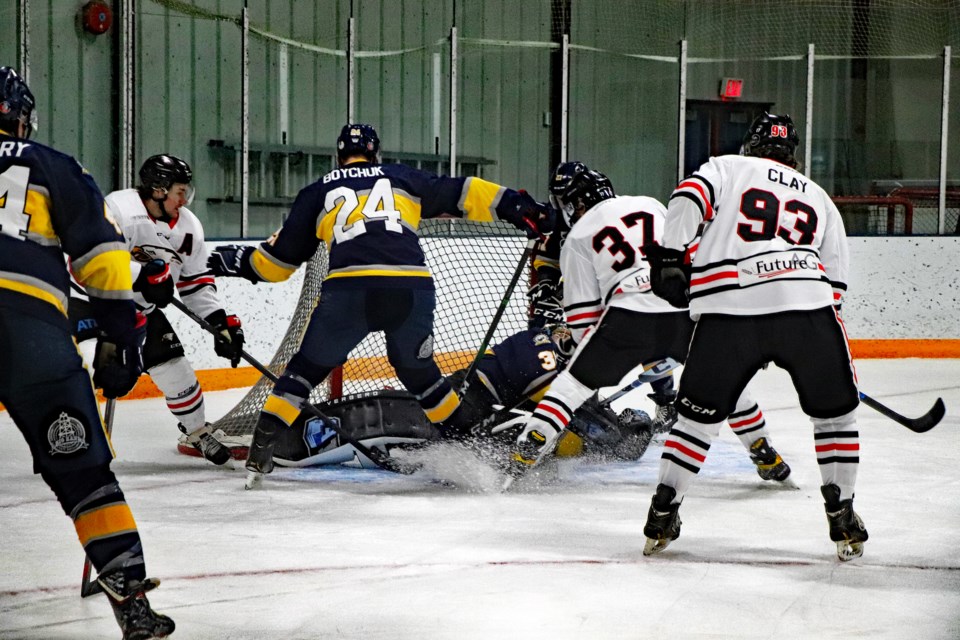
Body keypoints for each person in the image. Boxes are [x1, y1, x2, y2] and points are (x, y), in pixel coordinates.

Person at [207, 123, 554, 485]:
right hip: (408, 287)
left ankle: (259, 456)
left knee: (303, 372)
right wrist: (519, 207)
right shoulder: (400, 177)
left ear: (338, 156)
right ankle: (470, 446)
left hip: (348, 290)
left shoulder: (317, 192)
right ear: (376, 152)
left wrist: (229, 261)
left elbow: (276, 265)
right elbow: (464, 191)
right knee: (422, 376)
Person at [642, 112, 866, 561]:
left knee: (695, 423)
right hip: (807, 312)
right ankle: (842, 514)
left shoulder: (726, 166)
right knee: (836, 419)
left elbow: (689, 196)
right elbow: (837, 284)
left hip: (728, 314)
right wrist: (813, 332)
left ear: (752, 145)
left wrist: (670, 254)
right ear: (792, 154)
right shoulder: (820, 197)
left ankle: (663, 513)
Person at [0, 67, 174, 639]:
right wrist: (122, 337)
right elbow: (102, 261)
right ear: (23, 116)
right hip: (33, 338)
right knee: (84, 475)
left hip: (38, 325)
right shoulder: (53, 165)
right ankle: (132, 604)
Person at [512, 162, 790, 483]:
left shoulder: (578, 236)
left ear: (576, 203)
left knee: (572, 385)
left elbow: (582, 316)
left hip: (627, 313)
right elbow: (690, 254)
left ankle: (529, 445)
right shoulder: (649, 204)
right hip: (677, 304)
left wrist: (589, 355)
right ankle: (762, 447)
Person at [266, 324, 656, 468]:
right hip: (468, 415)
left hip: (453, 389)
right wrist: (618, 434)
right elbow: (567, 416)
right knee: (536, 439)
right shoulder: (554, 370)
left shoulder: (538, 335)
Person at [104, 154, 245, 465]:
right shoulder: (118, 208)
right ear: (158, 190)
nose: (185, 199)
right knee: (106, 372)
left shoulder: (189, 227)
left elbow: (195, 282)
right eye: (179, 191)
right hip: (98, 306)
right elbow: (96, 262)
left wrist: (218, 322)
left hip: (143, 310)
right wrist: (141, 277)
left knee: (175, 368)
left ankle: (197, 432)